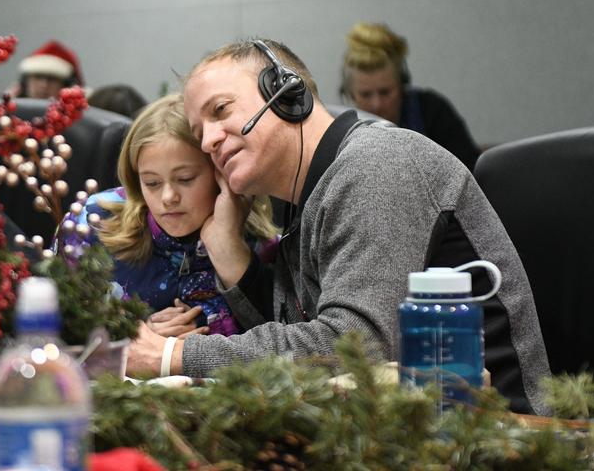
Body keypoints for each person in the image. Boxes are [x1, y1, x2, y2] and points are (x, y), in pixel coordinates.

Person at [126, 38, 551, 415]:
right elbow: (296, 342)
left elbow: (354, 347)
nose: (208, 141)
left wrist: (173, 356)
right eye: (199, 132)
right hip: (401, 432)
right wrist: (228, 252)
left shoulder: (379, 164)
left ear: (286, 93)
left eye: (221, 111)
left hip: (499, 433)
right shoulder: (303, 198)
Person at [73, 94, 279, 337]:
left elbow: (283, 343)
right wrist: (130, 338)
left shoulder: (263, 247)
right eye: (151, 183)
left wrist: (228, 247)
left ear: (221, 172)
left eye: (185, 179)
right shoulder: (94, 223)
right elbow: (55, 328)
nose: (168, 197)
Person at [340, 22, 481, 170]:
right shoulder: (341, 130)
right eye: (366, 94)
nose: (377, 104)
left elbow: (469, 170)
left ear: (402, 85)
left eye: (385, 92)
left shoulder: (433, 112)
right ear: (350, 94)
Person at [15, 40, 85, 99]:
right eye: (38, 77)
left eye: (52, 79)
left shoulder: (84, 114)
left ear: (66, 85)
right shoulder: (8, 111)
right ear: (25, 82)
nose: (44, 85)